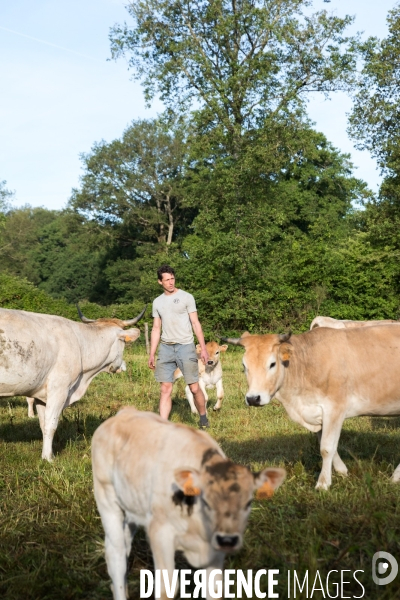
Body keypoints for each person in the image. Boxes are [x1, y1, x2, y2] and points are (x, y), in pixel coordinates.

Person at [148, 265, 210, 428]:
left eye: (172, 278)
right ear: (160, 282)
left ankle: (203, 418)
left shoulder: (186, 297)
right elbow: (156, 328)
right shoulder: (157, 302)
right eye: (167, 280)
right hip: (166, 349)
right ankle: (163, 425)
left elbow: (196, 323)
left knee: (194, 387)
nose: (170, 282)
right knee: (165, 388)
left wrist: (203, 348)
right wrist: (152, 353)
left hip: (185, 347)